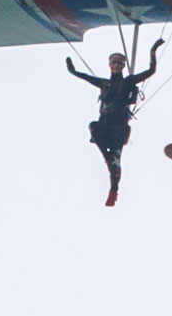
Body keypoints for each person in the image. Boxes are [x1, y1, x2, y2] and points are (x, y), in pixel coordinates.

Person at [66, 40, 164, 206]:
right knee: (93, 127)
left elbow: (151, 71)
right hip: (104, 124)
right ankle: (108, 158)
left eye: (120, 62)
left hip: (118, 127)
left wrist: (153, 50)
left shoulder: (129, 82)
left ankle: (113, 190)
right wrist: (71, 68)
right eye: (114, 62)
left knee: (116, 160)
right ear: (110, 64)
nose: (117, 65)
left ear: (123, 65)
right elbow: (82, 76)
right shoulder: (104, 83)